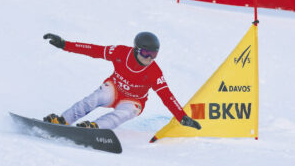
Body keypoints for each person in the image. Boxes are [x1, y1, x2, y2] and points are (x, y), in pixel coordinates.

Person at [43, 32, 201, 130]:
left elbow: (167, 96)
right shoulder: (120, 52)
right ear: (136, 49)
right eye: (146, 53)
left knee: (125, 113)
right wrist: (64, 45)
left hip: (133, 100)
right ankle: (63, 120)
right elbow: (93, 50)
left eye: (153, 54)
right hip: (114, 89)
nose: (149, 58)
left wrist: (182, 117)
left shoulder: (154, 72)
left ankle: (95, 128)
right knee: (95, 98)